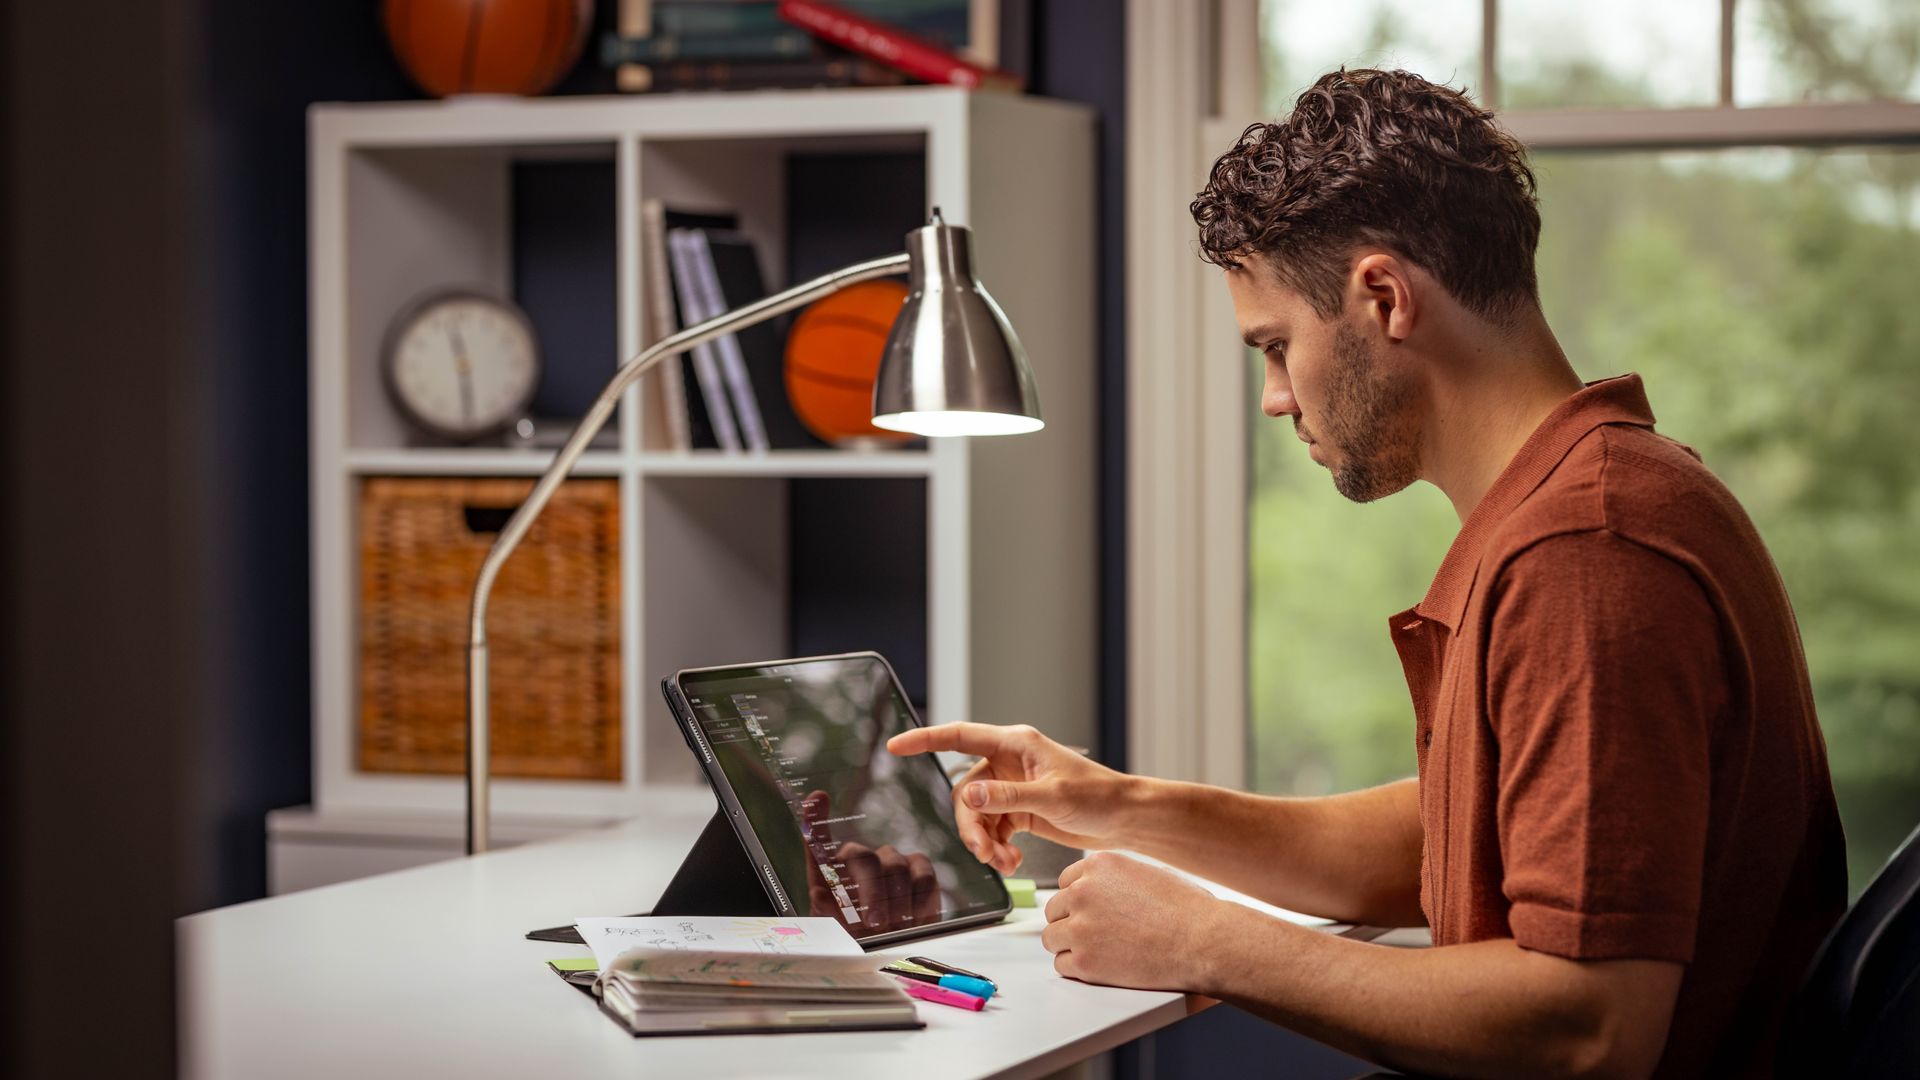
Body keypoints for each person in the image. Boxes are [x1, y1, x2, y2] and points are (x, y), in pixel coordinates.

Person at [888, 68, 1846, 1079]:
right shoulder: (1594, 495)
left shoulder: (1584, 554)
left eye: (1275, 347)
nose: (1272, 398)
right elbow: (1446, 844)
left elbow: (1589, 1027)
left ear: (1384, 298)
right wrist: (1118, 805)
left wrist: (1203, 941)